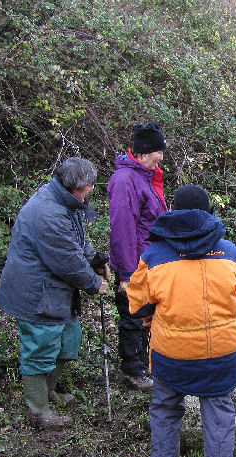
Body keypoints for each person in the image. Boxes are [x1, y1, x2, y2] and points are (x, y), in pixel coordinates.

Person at [127, 184, 236, 457]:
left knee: (165, 408)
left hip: (171, 354)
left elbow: (138, 305)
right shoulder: (233, 254)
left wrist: (153, 320)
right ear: (209, 214)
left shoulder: (154, 257)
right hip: (220, 354)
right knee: (219, 415)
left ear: (173, 213)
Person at [0, 157, 110, 429]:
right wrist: (94, 284)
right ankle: (38, 410)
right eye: (89, 185)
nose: (93, 190)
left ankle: (48, 391)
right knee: (40, 349)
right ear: (74, 186)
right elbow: (67, 260)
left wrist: (94, 259)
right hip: (35, 294)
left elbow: (77, 242)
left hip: (55, 292)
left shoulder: (68, 203)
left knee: (69, 341)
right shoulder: (47, 212)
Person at [107, 121, 168, 390]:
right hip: (135, 265)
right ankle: (132, 370)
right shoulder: (125, 181)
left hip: (150, 262)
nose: (161, 157)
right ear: (143, 153)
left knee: (146, 316)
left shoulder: (145, 176)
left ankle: (145, 363)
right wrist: (126, 274)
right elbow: (122, 229)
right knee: (133, 317)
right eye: (158, 152)